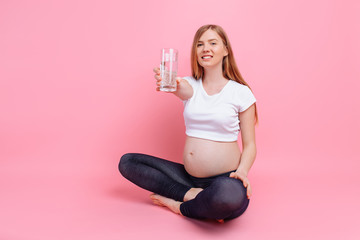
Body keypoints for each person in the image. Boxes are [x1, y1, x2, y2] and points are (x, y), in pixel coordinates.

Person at [118, 24, 258, 222]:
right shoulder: (190, 86)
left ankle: (179, 206)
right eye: (199, 44)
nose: (205, 48)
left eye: (212, 43)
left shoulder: (241, 93)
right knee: (128, 162)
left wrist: (242, 172)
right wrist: (170, 82)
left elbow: (250, 145)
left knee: (226, 197)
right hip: (187, 177)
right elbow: (179, 87)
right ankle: (192, 195)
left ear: (226, 50)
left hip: (224, 179)